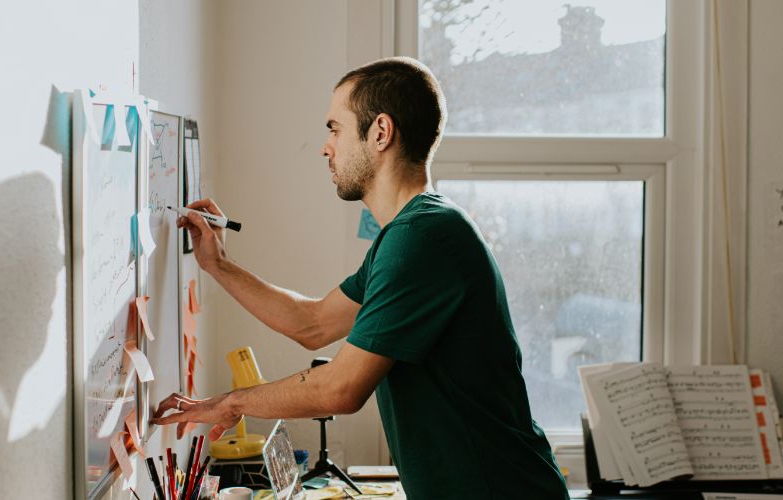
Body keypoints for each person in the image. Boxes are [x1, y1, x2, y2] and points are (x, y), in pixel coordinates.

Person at [152, 57, 568, 499]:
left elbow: (342, 388)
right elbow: (311, 323)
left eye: (335, 129)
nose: (325, 147)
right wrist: (218, 264)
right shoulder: (410, 233)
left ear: (381, 133)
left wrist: (231, 402)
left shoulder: (422, 237)